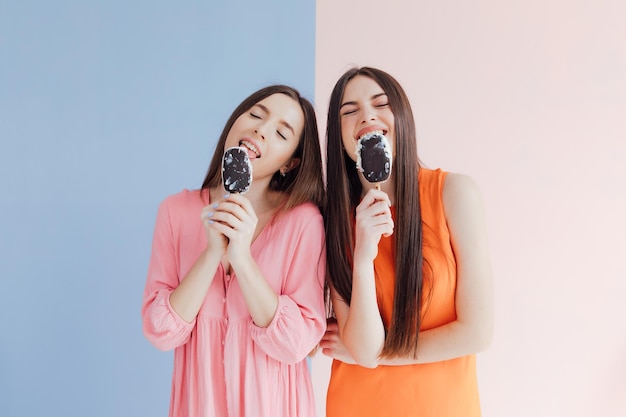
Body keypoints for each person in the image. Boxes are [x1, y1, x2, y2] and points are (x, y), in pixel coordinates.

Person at [142, 85, 327, 417]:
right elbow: (161, 331)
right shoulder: (176, 211)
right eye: (256, 114)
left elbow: (295, 343)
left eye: (281, 133)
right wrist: (212, 252)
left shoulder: (303, 222)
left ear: (290, 163)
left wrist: (241, 258)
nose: (261, 129)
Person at [319, 66, 494, 417]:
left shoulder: (454, 194)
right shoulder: (334, 221)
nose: (366, 115)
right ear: (339, 137)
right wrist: (364, 253)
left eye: (380, 104)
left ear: (402, 117)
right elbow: (364, 347)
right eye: (349, 111)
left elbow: (477, 331)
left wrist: (379, 353)